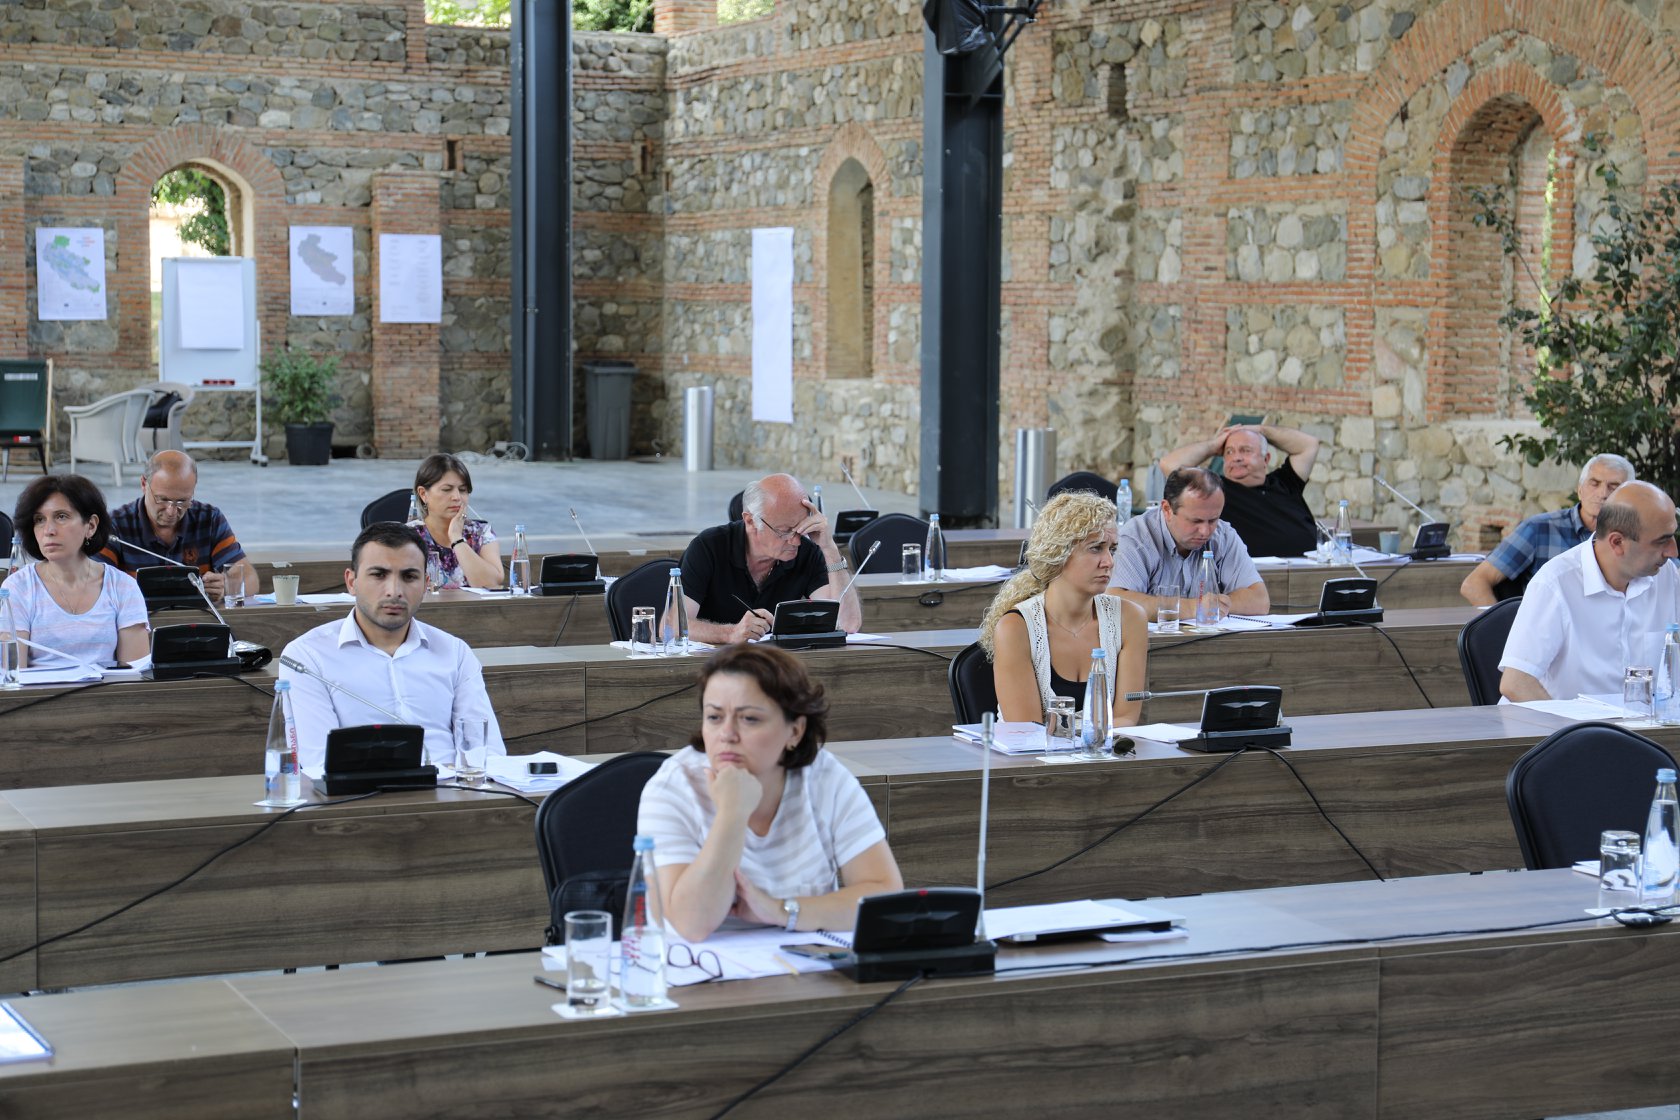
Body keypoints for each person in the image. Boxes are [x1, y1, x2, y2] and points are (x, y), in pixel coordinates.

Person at [637, 643, 903, 943]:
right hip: (694, 965)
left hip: (806, 960)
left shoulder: (825, 778)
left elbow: (884, 896)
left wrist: (780, 911)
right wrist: (732, 814)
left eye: (749, 719)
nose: (727, 734)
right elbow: (691, 924)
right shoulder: (672, 789)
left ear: (795, 731)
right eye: (714, 717)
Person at [279, 522, 505, 778]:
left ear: (426, 583)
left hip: (454, 792)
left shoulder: (455, 652)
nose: (394, 591)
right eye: (379, 575)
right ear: (351, 582)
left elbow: (487, 753)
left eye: (409, 577)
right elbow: (318, 763)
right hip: (357, 797)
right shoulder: (307, 657)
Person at [1498, 481, 1680, 703]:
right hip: (1563, 722)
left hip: (1644, 721)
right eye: (1662, 541)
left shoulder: (1666, 575)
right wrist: (1566, 725)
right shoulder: (1555, 584)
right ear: (1617, 542)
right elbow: (1516, 683)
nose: (1673, 551)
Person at [978, 491, 1147, 725]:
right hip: (1031, 751)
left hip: (1101, 750)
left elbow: (1126, 719)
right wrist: (1091, 734)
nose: (1109, 562)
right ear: (1058, 553)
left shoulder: (1130, 618)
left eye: (1112, 549)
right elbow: (1027, 731)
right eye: (1096, 548)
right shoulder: (1015, 628)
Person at [670, 473, 861, 645]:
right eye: (785, 531)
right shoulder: (709, 547)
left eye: (801, 529)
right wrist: (730, 633)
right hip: (712, 663)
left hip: (779, 662)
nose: (795, 541)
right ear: (751, 521)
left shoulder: (807, 550)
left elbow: (848, 624)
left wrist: (830, 549)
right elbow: (673, 625)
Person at [4, 474, 149, 669]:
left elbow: (135, 674)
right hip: (40, 690)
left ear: (91, 526)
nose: (48, 530)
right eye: (39, 519)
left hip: (109, 690)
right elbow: (11, 674)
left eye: (61, 517)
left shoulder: (123, 587)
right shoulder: (18, 588)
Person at [1459, 453, 1636, 607]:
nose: (1603, 493)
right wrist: (1507, 629)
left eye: (1613, 487)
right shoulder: (1539, 529)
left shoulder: (1635, 537)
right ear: (1580, 490)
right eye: (1594, 483)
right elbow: (1474, 584)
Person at [1110, 467, 1271, 619]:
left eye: (1213, 520)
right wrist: (1194, 608)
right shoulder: (1137, 537)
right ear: (1167, 510)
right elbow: (1116, 601)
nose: (1205, 531)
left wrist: (1218, 604)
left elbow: (1260, 600)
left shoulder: (1224, 535)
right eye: (1196, 521)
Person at [99, 450, 259, 600]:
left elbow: (250, 579)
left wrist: (226, 585)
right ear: (143, 484)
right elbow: (93, 587)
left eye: (182, 501)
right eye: (162, 499)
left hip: (199, 618)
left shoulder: (210, 520)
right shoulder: (115, 525)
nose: (171, 511)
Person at [1159, 423, 1321, 557]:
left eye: (1245, 450)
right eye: (1229, 452)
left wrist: (1261, 430)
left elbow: (1309, 445)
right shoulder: (1215, 491)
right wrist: (1213, 446)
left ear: (1266, 459)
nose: (1236, 458)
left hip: (1312, 570)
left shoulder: (1285, 482)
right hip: (1255, 577)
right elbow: (1169, 465)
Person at [407, 452, 504, 590]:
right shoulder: (408, 536)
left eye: (463, 490)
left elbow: (492, 583)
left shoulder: (480, 532)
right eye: (446, 490)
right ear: (423, 494)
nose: (457, 497)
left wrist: (457, 538)